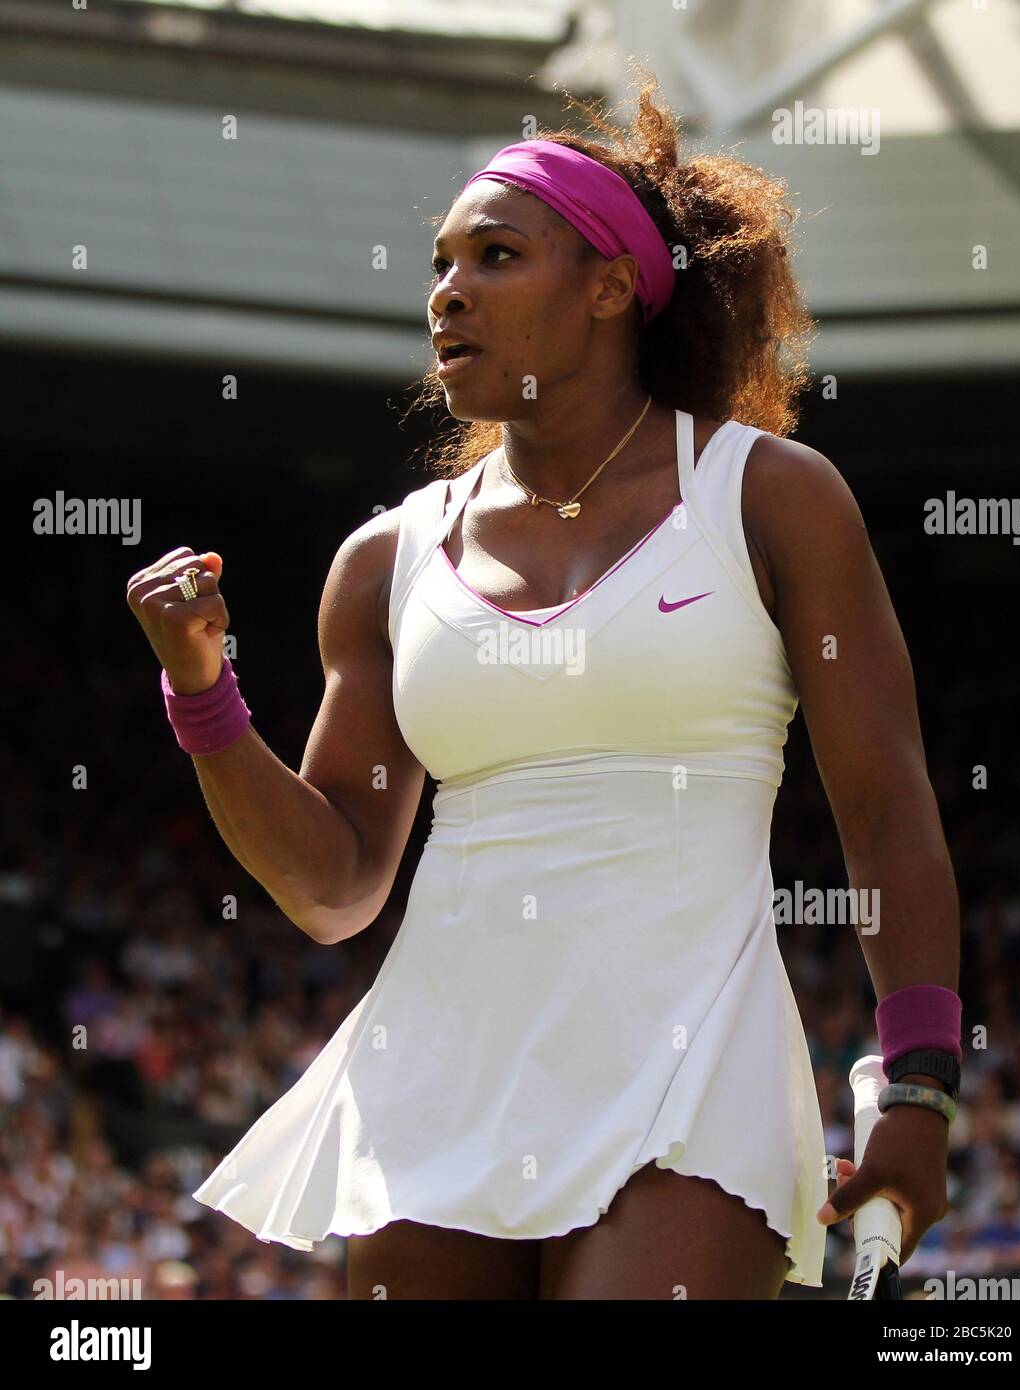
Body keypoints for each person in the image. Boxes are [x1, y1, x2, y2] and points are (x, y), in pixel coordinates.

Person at [126, 76, 961, 1300]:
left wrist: (923, 1081)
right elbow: (335, 886)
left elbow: (884, 806)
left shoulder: (773, 497)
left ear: (613, 286)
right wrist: (206, 696)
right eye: (440, 264)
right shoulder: (383, 562)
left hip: (695, 1070)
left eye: (497, 256)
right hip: (440, 1072)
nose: (447, 292)